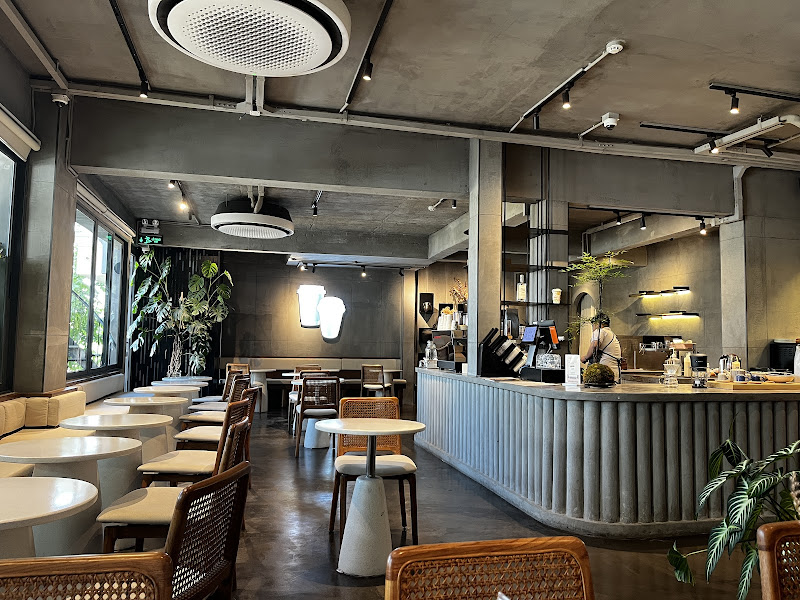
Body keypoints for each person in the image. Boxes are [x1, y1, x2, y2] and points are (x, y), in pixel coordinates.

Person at [580, 313, 622, 381]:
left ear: (599, 324)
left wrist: (585, 357)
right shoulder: (610, 333)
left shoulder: (600, 331)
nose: (593, 328)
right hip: (614, 369)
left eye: (593, 325)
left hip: (605, 369)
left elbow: (594, 345)